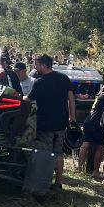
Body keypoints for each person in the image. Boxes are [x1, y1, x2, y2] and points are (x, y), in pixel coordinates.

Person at [27, 53, 76, 191]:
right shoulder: (64, 78)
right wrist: (72, 116)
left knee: (46, 153)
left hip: (45, 124)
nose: (35, 67)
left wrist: (18, 97)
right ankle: (58, 183)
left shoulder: (40, 82)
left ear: (43, 65)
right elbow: (71, 98)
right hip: (61, 123)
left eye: (37, 65)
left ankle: (44, 184)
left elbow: (29, 99)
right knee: (58, 153)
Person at [79, 85, 104, 177]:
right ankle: (95, 171)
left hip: (88, 121)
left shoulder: (99, 96)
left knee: (85, 144)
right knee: (100, 147)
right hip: (97, 124)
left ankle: (80, 168)